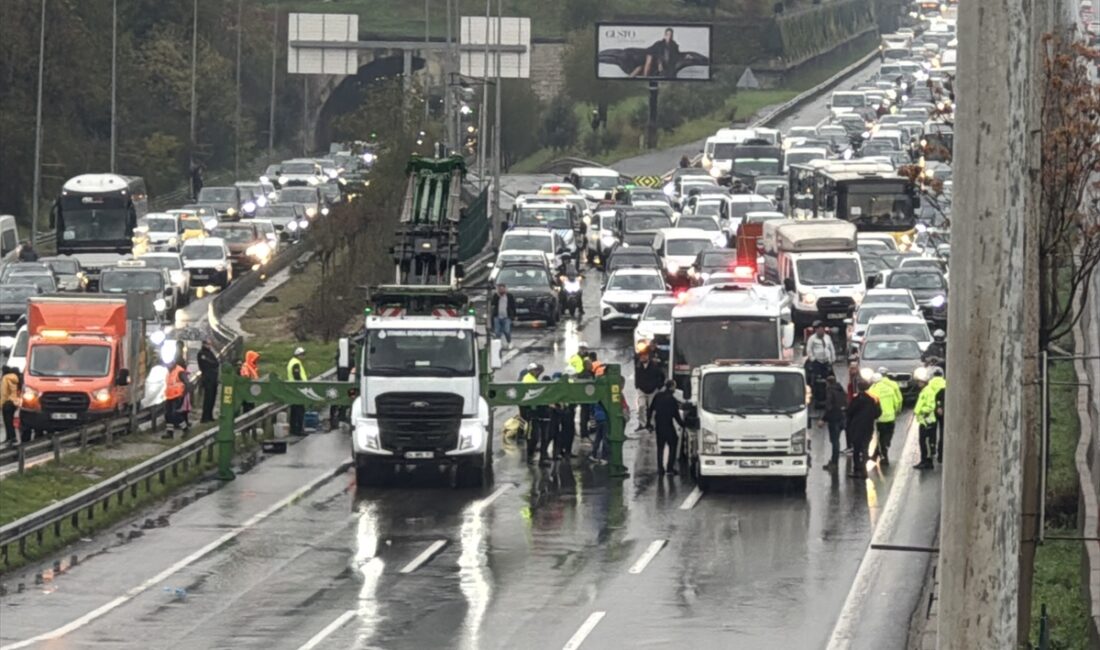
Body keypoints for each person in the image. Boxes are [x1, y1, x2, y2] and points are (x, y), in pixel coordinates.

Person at [845, 379, 881, 479]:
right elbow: (878, 413)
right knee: (865, 448)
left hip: (857, 427)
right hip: (868, 427)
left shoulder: (856, 398)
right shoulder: (874, 399)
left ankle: (857, 469)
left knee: (857, 450)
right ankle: (864, 470)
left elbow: (850, 411)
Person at [648, 380, 684, 475]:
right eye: (674, 387)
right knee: (673, 443)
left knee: (660, 447)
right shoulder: (672, 400)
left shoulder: (658, 396)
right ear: (671, 387)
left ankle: (660, 469)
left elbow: (651, 409)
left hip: (659, 425)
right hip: (668, 425)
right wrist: (684, 425)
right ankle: (670, 467)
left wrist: (648, 423)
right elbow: (676, 416)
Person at [913, 368, 947, 469]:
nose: (918, 384)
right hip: (940, 412)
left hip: (928, 418)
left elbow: (930, 405)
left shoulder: (929, 389)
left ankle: (928, 459)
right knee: (940, 434)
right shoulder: (945, 383)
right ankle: (939, 455)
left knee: (926, 440)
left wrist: (920, 411)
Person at [869, 368, 903, 466]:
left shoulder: (873, 389)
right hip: (891, 417)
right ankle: (877, 453)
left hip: (880, 418)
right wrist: (897, 410)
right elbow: (897, 401)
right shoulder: (890, 387)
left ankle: (884, 457)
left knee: (881, 437)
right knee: (888, 434)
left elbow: (870, 403)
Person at [819, 374, 848, 470]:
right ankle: (834, 460)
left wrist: (823, 419)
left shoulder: (830, 391)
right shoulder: (841, 390)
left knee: (835, 441)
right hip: (842, 418)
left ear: (828, 383)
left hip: (834, 419)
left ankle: (834, 463)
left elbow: (829, 407)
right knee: (836, 440)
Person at [633, 351, 665, 431]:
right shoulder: (638, 365)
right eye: (641, 356)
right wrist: (637, 385)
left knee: (652, 408)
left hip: (653, 390)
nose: (643, 358)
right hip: (642, 389)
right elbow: (636, 376)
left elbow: (662, 376)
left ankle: (651, 424)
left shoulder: (654, 366)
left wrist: (659, 386)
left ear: (648, 356)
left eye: (645, 356)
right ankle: (642, 424)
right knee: (641, 406)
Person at [806, 321, 835, 403]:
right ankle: (818, 396)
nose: (821, 331)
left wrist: (832, 359)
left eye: (822, 329)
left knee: (829, 379)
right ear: (816, 330)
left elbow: (831, 348)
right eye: (818, 329)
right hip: (817, 362)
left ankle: (829, 395)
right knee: (818, 380)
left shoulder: (827, 337)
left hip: (827, 362)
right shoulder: (812, 339)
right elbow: (809, 350)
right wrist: (813, 359)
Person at [331, 340, 355, 430]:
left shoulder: (340, 358)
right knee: (349, 399)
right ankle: (343, 416)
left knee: (337, 399)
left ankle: (335, 417)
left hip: (340, 382)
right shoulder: (351, 359)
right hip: (349, 383)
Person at [163, 360, 190, 438]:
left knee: (176, 414)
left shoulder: (179, 371)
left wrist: (183, 394)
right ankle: (169, 432)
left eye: (169, 364)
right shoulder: (169, 371)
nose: (167, 365)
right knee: (168, 415)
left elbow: (187, 383)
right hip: (169, 396)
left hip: (178, 396)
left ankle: (185, 429)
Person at [286, 347, 308, 436]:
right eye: (302, 355)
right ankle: (298, 429)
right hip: (297, 389)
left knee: (294, 409)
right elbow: (297, 376)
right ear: (299, 355)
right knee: (299, 410)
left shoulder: (292, 362)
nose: (304, 357)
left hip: (293, 389)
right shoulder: (296, 364)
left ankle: (293, 429)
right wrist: (302, 386)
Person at [197, 340, 220, 422]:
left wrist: (210, 361)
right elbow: (208, 364)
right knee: (208, 398)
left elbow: (216, 363)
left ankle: (210, 415)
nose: (209, 346)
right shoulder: (201, 354)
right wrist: (209, 361)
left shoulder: (210, 353)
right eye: (208, 344)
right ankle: (205, 417)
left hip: (213, 378)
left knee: (212, 398)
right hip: (207, 379)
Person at [1, 366, 20, 446]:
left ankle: (10, 438)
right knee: (10, 421)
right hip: (14, 402)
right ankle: (11, 437)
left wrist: (1, 404)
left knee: (7, 421)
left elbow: (4, 393)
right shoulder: (15, 378)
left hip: (7, 402)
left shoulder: (5, 378)